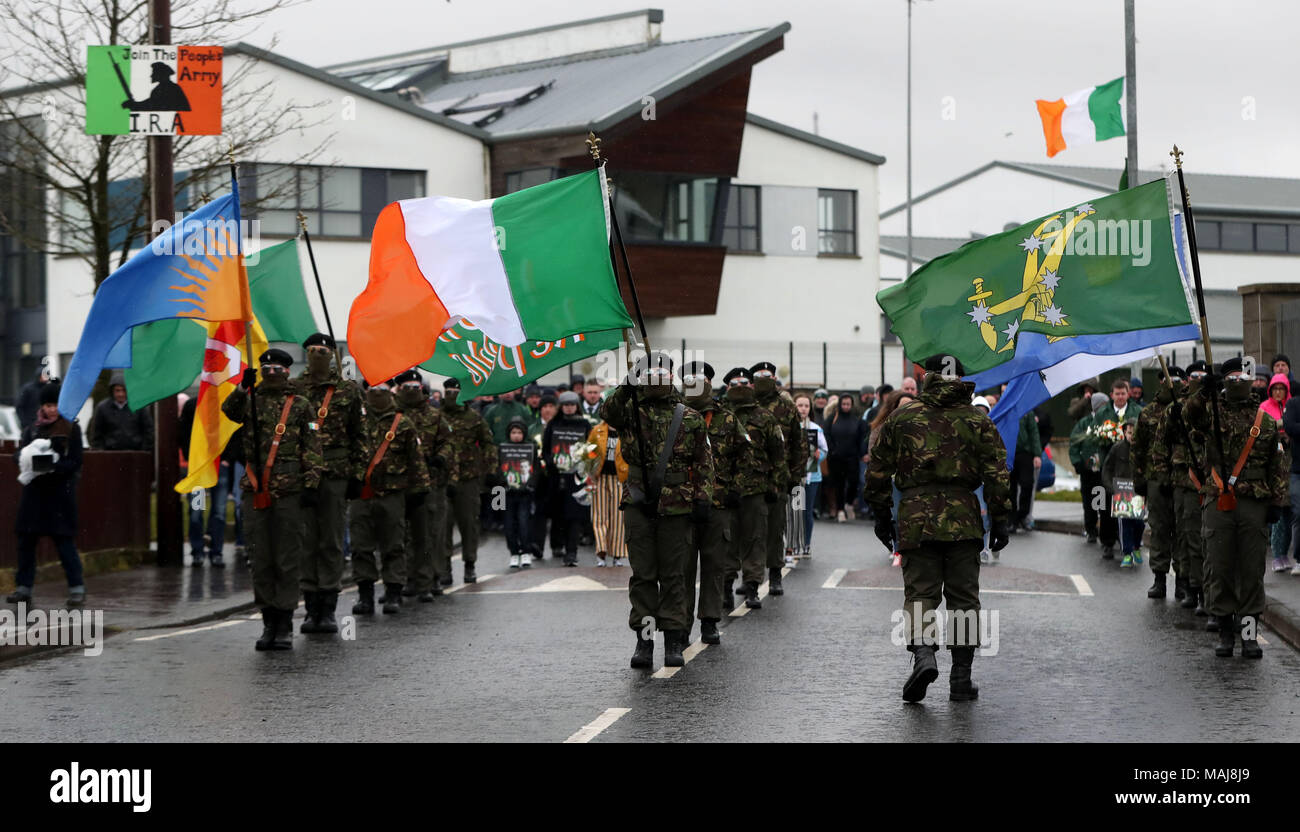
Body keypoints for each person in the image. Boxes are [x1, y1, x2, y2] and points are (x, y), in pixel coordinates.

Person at [865, 356, 1010, 702]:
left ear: (927, 377)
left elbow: (878, 471)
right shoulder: (977, 421)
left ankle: (924, 656)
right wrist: (1001, 519)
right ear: (961, 377)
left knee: (920, 594)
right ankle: (961, 677)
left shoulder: (902, 418)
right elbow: (997, 473)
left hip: (917, 517)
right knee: (964, 599)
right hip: (964, 518)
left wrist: (882, 515)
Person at [600, 352, 713, 669]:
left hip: (677, 505)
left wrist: (703, 499)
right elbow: (606, 411)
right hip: (638, 501)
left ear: (671, 376)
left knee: (674, 574)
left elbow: (704, 464)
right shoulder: (631, 411)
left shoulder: (688, 417)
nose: (656, 377)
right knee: (644, 574)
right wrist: (628, 382)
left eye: (661, 372)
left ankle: (675, 640)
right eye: (649, 372)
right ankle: (645, 641)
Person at [221, 350, 324, 651]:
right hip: (256, 490)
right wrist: (242, 387)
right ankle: (268, 622)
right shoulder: (252, 400)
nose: (271, 372)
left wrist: (312, 484)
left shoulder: (301, 405)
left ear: (288, 372)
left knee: (287, 559)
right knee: (260, 558)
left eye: (277, 368)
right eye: (266, 368)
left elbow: (312, 446)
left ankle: (284, 624)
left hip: (290, 491)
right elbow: (230, 411)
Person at [1185, 357, 1287, 658]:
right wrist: (1204, 391)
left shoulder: (1264, 421)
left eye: (1241, 376)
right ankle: (1226, 633)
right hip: (1219, 499)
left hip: (1254, 503)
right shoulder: (1211, 414)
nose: (1236, 381)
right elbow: (1188, 417)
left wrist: (1277, 503)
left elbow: (1276, 466)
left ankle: (1249, 635)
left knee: (1251, 570)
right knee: (1219, 566)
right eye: (1230, 377)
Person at [292, 333, 362, 631]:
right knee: (307, 540)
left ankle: (328, 607)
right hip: (303, 474)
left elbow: (360, 435)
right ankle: (310, 607)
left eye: (323, 351)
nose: (317, 354)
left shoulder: (347, 390)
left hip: (336, 472)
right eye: (312, 350)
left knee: (331, 541)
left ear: (333, 354)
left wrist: (357, 476)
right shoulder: (293, 388)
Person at [348, 376, 429, 615]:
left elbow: (416, 460)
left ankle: (393, 592)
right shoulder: (356, 421)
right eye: (373, 388)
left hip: (392, 494)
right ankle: (365, 596)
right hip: (361, 494)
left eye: (382, 388)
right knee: (361, 547)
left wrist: (419, 490)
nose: (377, 393)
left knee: (393, 546)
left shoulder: (402, 423)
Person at [678, 362, 744, 644]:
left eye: (701, 378)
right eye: (690, 378)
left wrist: (735, 489)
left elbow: (745, 456)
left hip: (717, 505)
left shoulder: (727, 419)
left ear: (710, 383)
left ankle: (709, 621)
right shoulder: (673, 416)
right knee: (681, 569)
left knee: (714, 566)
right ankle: (679, 626)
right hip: (680, 504)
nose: (696, 382)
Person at [6, 383, 86, 607]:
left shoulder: (71, 429)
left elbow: (76, 462)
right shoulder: (33, 429)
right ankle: (23, 587)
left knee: (64, 543)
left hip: (60, 495)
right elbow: (18, 455)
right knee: (26, 541)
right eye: (48, 405)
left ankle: (76, 588)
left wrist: (54, 464)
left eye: (56, 405)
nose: (52, 410)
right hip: (34, 494)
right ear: (42, 406)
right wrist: (26, 458)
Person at [721, 367, 785, 610]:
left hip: (756, 490)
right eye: (734, 383)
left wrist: (775, 485)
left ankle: (752, 588)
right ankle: (726, 588)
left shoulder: (765, 418)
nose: (740, 386)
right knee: (726, 542)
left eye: (745, 382)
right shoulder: (719, 415)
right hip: (726, 491)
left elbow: (778, 454)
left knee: (755, 540)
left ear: (752, 386)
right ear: (727, 387)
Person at [1154, 360, 1209, 616]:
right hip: (1183, 480)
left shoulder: (1214, 405)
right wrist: (1162, 477)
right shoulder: (1175, 409)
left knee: (1208, 538)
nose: (1198, 379)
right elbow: (1160, 446)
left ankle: (1209, 590)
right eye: (1194, 375)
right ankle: (1191, 586)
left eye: (1203, 375)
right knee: (1188, 536)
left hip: (1213, 480)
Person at [394, 369, 452, 602]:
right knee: (403, 534)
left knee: (429, 534)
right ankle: (408, 578)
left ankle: (430, 578)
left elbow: (448, 443)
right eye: (406, 387)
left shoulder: (435, 416)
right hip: (399, 482)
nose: (411, 392)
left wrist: (440, 458)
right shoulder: (394, 414)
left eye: (415, 388)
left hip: (430, 484)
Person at [751, 361, 806, 595]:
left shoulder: (786, 405)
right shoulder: (746, 404)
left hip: (778, 478)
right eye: (759, 375)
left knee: (775, 529)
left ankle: (774, 574)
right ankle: (751, 579)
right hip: (750, 479)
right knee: (752, 530)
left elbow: (798, 443)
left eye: (768, 375)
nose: (764, 379)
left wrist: (795, 476)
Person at [1132, 365, 1181, 599]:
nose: (1170, 384)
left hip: (1183, 479)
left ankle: (1184, 581)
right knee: (1160, 529)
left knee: (1183, 530)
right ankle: (1159, 578)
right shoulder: (1148, 412)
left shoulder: (1186, 410)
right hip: (1155, 479)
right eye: (1165, 380)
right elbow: (1137, 448)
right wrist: (1139, 479)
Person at [441, 378, 496, 583]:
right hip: (443, 480)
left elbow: (488, 444)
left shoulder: (474, 418)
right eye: (449, 391)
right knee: (443, 526)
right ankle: (444, 567)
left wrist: (490, 470)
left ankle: (469, 564)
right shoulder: (437, 417)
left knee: (468, 524)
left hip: (468, 478)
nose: (452, 395)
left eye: (456, 391)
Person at [540, 391, 592, 566]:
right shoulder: (553, 424)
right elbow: (546, 450)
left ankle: (572, 551)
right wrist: (551, 463)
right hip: (556, 476)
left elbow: (591, 448)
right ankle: (557, 544)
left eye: (572, 404)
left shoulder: (584, 424)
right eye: (566, 405)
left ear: (576, 406)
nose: (569, 408)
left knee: (575, 515)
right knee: (557, 513)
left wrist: (585, 462)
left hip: (577, 477)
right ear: (561, 407)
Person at [1069, 391, 1119, 556]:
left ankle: (1106, 533)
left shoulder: (1110, 420)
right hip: (1088, 472)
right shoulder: (1085, 423)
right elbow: (1074, 444)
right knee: (1089, 503)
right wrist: (1078, 463)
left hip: (1104, 472)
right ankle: (1091, 529)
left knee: (1102, 504)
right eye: (1102, 406)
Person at [1260, 373, 1294, 573]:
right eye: (1275, 388)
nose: (1279, 392)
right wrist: (1282, 426)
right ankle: (1278, 554)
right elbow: (1265, 428)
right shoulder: (1264, 407)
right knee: (1278, 509)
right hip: (1273, 461)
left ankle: (1286, 553)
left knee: (1291, 510)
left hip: (1291, 460)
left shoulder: (1293, 405)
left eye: (1282, 388)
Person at [585, 417, 628, 567]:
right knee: (599, 516)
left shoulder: (627, 431)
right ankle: (601, 553)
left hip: (619, 479)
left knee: (618, 518)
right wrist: (589, 471)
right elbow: (588, 453)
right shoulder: (597, 430)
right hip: (600, 478)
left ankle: (617, 555)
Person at [1102, 418, 1144, 569]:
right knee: (1124, 523)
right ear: (1125, 432)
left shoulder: (1142, 449)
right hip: (1121, 492)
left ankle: (1136, 547)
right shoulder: (1117, 448)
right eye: (1129, 433)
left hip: (1138, 491)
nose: (1132, 436)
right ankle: (1127, 553)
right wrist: (1109, 487)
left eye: (1134, 433)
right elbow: (1107, 468)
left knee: (1139, 523)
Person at [498, 417, 539, 569]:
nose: (516, 435)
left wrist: (530, 484)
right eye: (513, 432)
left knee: (524, 523)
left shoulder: (531, 447)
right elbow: (497, 468)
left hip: (525, 493)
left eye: (519, 432)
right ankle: (514, 553)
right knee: (508, 524)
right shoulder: (502, 448)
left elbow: (536, 470)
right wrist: (503, 484)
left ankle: (526, 551)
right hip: (504, 493)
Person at [793, 393, 828, 558]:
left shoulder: (815, 428)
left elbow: (825, 450)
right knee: (796, 511)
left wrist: (819, 455)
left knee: (807, 512)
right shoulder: (790, 427)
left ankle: (806, 543)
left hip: (812, 477)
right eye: (800, 405)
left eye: (806, 406)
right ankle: (794, 543)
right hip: (794, 476)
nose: (803, 409)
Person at [825, 394, 866, 522]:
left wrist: (862, 453)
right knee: (839, 484)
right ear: (839, 404)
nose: (846, 407)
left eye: (848, 404)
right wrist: (832, 450)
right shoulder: (832, 419)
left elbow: (861, 438)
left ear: (852, 405)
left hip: (852, 456)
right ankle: (840, 509)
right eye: (844, 404)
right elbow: (826, 435)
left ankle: (849, 503)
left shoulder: (856, 420)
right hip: (836, 457)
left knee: (854, 482)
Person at [89, 374, 153, 451]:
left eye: (124, 390)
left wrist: (144, 450)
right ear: (112, 391)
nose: (120, 394)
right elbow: (96, 435)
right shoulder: (102, 408)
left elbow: (149, 431)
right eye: (117, 390)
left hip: (135, 453)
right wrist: (101, 452)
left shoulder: (139, 406)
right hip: (110, 454)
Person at [16, 366, 52, 431]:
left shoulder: (48, 389)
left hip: (46, 424)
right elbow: (19, 407)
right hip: (31, 424)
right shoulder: (28, 389)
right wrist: (25, 423)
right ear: (38, 376)